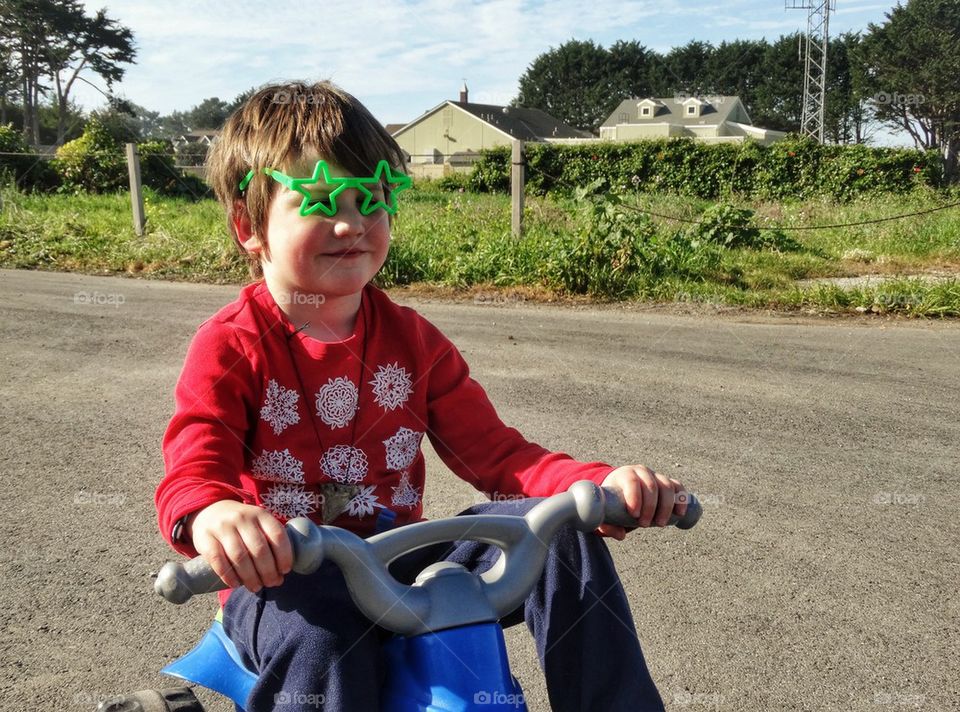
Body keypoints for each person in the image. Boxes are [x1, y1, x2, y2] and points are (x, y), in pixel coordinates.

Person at [156, 80, 687, 712]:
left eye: (372, 197)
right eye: (321, 200)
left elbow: (501, 457)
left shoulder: (416, 342)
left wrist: (597, 485)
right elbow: (194, 463)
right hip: (284, 579)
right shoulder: (232, 346)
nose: (352, 222)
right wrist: (215, 515)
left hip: (396, 562)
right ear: (250, 226)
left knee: (558, 537)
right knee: (319, 633)